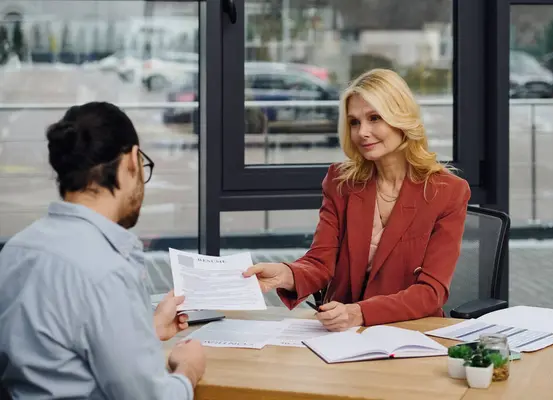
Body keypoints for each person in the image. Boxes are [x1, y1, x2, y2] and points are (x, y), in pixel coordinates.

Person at [0, 102, 206, 399]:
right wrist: (189, 370)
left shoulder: (16, 251)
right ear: (132, 161)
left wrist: (147, 330)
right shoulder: (107, 272)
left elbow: (60, 350)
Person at [244, 69, 471, 331]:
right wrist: (286, 274)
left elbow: (431, 291)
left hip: (411, 332)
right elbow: (321, 262)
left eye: (375, 118)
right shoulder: (341, 182)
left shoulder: (447, 191)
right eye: (354, 122)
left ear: (402, 119)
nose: (362, 132)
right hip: (340, 334)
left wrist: (360, 312)